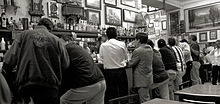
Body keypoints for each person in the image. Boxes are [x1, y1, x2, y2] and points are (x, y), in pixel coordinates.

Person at [2, 18, 70, 104]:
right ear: (50, 29)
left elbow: (9, 58)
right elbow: (65, 65)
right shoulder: (56, 40)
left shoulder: (23, 35)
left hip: (27, 86)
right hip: (50, 88)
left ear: (37, 25)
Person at [60, 35, 106, 104]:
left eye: (60, 42)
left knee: (64, 101)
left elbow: (62, 67)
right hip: (101, 81)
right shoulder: (79, 48)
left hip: (87, 84)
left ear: (67, 41)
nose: (58, 45)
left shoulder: (66, 48)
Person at [99, 27, 128, 103]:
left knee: (111, 95)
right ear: (116, 35)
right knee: (123, 93)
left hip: (109, 73)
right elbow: (126, 58)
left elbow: (101, 61)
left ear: (107, 35)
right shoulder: (122, 44)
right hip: (121, 72)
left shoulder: (103, 45)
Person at [127, 33, 153, 103]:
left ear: (138, 40)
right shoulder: (150, 48)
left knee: (144, 100)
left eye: (135, 40)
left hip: (141, 79)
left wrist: (125, 62)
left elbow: (130, 64)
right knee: (147, 97)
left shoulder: (138, 51)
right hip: (148, 77)